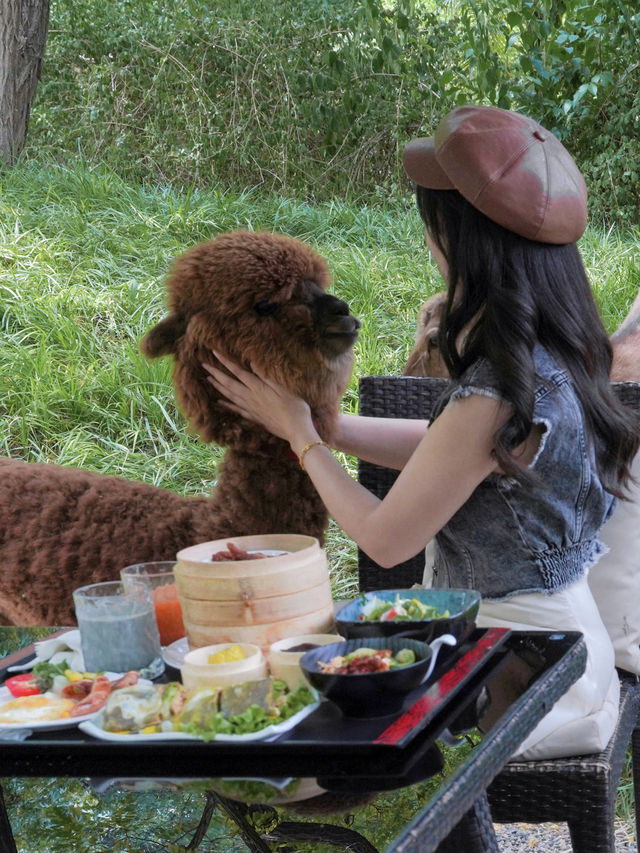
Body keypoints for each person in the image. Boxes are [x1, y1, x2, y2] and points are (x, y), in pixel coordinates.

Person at [203, 104, 639, 759]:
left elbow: (385, 536)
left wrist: (302, 437)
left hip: (517, 680)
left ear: (459, 240)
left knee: (267, 711)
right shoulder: (565, 353)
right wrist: (329, 424)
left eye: (432, 226)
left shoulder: (500, 387)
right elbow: (450, 454)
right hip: (565, 657)